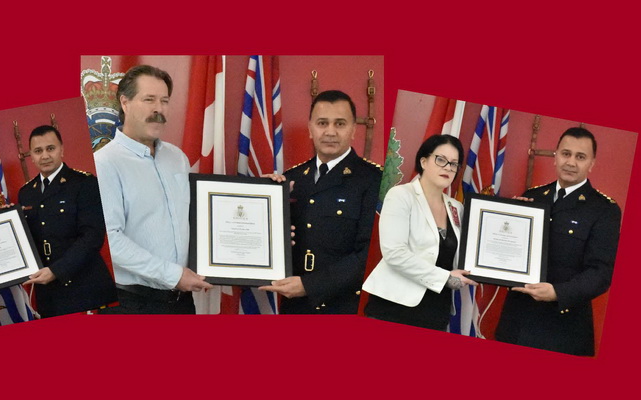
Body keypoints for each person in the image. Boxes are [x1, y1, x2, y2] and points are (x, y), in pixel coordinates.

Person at [95, 64, 211, 314]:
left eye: (164, 101)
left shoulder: (177, 158)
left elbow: (197, 217)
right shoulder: (105, 163)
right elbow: (109, 239)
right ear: (124, 103)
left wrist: (268, 197)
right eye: (149, 100)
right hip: (133, 305)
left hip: (181, 302)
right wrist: (172, 275)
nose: (158, 109)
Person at [496, 127, 621, 356]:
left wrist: (557, 293)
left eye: (580, 157)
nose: (571, 162)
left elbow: (600, 273)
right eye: (566, 153)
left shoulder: (605, 210)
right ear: (555, 156)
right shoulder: (532, 197)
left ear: (592, 163)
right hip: (517, 321)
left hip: (563, 328)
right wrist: (509, 218)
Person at [258, 90, 381, 314]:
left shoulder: (374, 180)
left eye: (340, 124)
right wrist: (262, 198)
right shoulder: (291, 179)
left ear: (354, 130)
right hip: (294, 307)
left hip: (343, 308)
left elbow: (370, 255)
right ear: (310, 129)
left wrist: (309, 286)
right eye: (322, 123)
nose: (330, 132)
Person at [361, 135, 477, 330]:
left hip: (436, 312)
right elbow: (394, 253)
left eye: (454, 164)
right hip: (394, 308)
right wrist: (445, 278)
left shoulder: (456, 207)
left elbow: (469, 251)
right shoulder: (401, 196)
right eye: (441, 160)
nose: (448, 167)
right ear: (423, 161)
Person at [18, 125, 117, 318]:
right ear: (31, 155)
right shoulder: (26, 192)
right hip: (48, 293)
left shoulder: (84, 183)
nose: (45, 155)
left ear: (62, 150)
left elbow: (92, 237)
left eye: (50, 148)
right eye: (38, 151)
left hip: (83, 287)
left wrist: (57, 270)